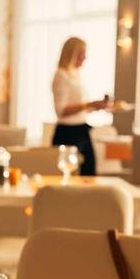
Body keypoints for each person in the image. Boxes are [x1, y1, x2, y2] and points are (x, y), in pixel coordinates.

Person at [51, 37, 111, 176]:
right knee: (68, 176)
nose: (85, 57)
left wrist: (97, 107)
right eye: (81, 53)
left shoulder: (76, 75)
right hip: (67, 133)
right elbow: (61, 111)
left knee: (89, 171)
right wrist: (89, 104)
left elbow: (80, 109)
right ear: (72, 54)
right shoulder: (61, 75)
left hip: (81, 130)